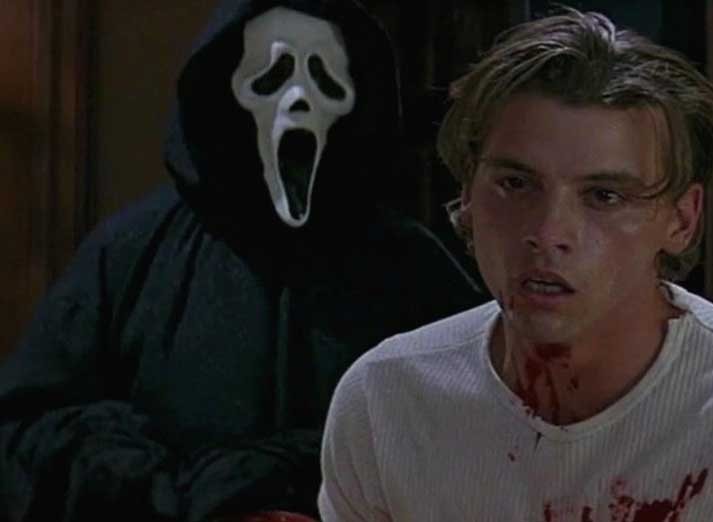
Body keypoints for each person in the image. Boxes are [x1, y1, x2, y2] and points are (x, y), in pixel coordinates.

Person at [319, 6, 713, 521]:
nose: (548, 234)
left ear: (682, 220)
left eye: (604, 195)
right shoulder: (388, 399)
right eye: (516, 184)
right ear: (468, 194)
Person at [0, 1, 486, 521]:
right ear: (223, 92)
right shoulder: (130, 252)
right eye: (269, 78)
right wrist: (180, 491)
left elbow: (485, 431)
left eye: (325, 78)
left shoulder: (412, 267)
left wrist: (298, 476)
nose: (298, 99)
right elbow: (24, 432)